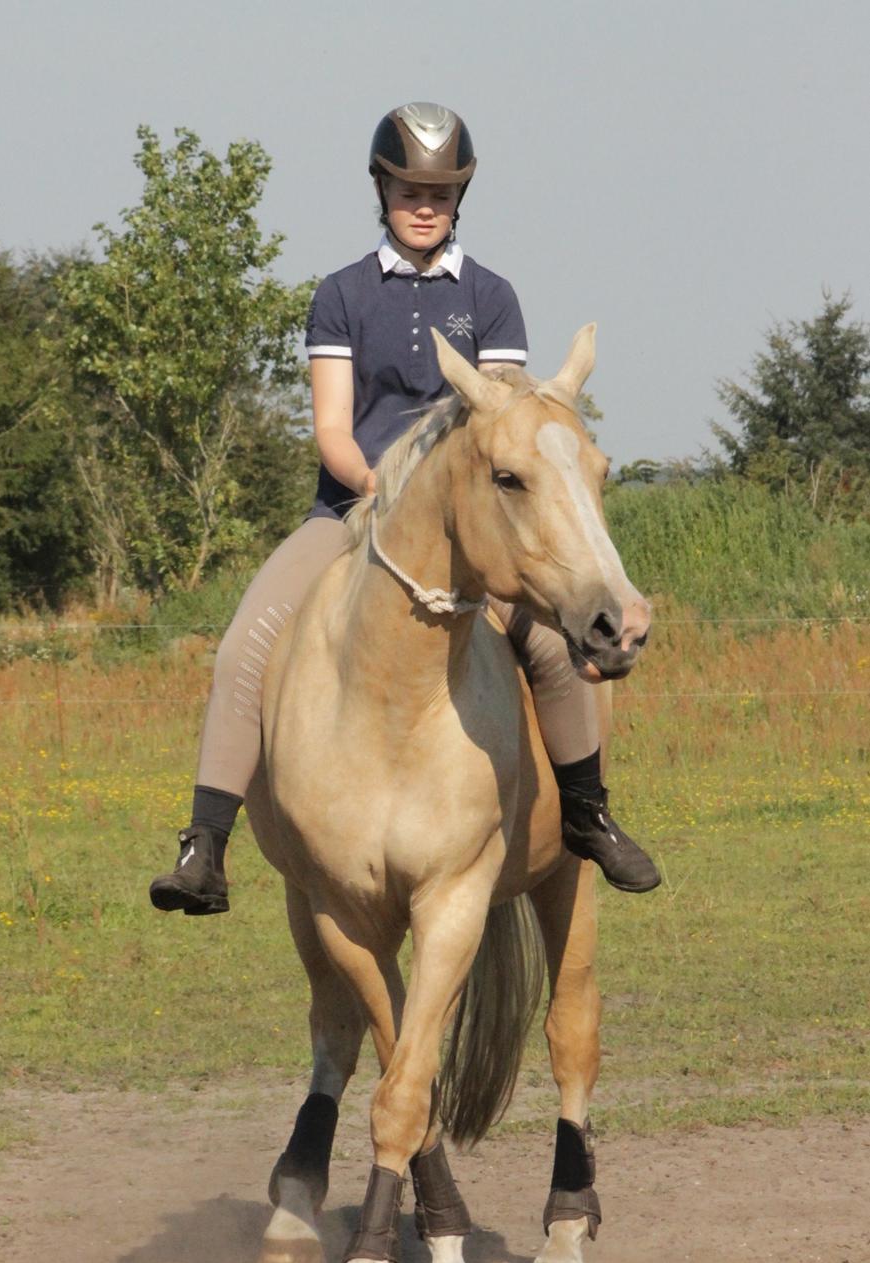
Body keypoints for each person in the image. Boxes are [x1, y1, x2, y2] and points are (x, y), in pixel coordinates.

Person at [150, 102, 660, 916]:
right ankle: (205, 843)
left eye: (440, 191)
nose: (423, 205)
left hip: (475, 526)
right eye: (406, 189)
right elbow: (330, 428)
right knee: (245, 642)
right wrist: (382, 494)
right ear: (380, 188)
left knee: (553, 650)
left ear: (460, 197)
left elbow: (508, 422)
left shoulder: (491, 298)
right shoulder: (341, 295)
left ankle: (589, 817)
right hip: (350, 513)